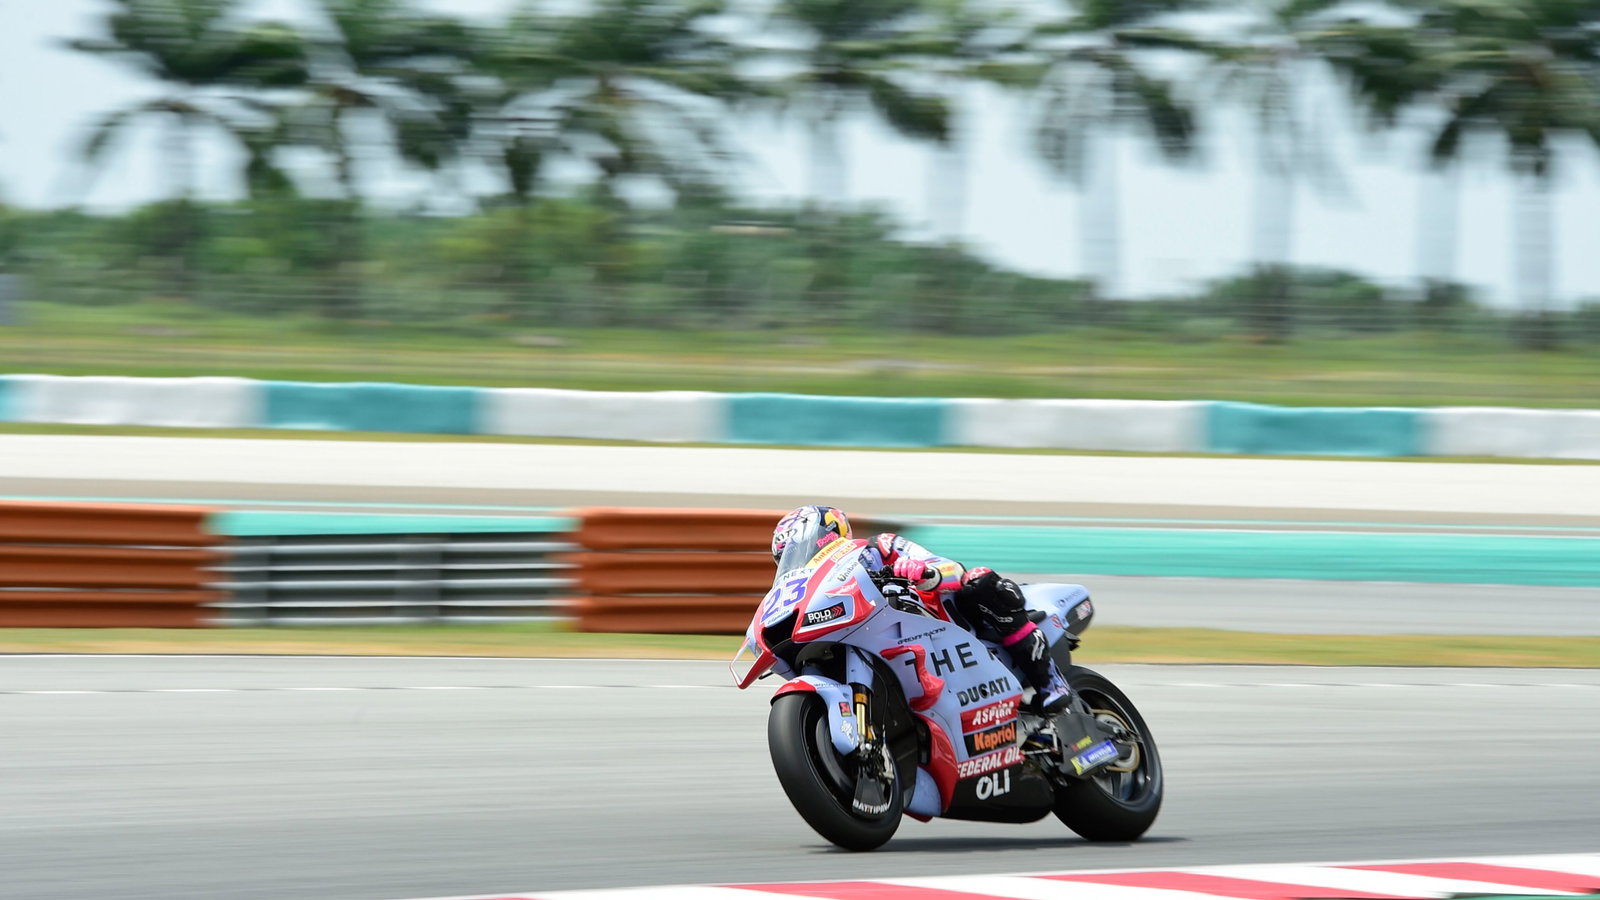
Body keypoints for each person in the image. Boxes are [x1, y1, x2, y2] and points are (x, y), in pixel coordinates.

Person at [769, 505, 1072, 714]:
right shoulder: (818, 588)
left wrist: (926, 573)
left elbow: (950, 567)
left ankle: (1050, 681)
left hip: (948, 624)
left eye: (799, 548)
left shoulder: (877, 548)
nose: (798, 558)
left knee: (977, 581)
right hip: (891, 644)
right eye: (788, 556)